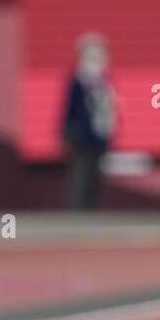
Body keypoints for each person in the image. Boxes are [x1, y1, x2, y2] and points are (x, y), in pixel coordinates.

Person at [61, 32, 118, 209]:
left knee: (95, 176)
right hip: (82, 136)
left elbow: (108, 107)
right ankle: (79, 209)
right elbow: (69, 108)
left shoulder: (104, 81)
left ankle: (92, 208)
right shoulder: (78, 80)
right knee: (81, 174)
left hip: (99, 135)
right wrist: (66, 133)